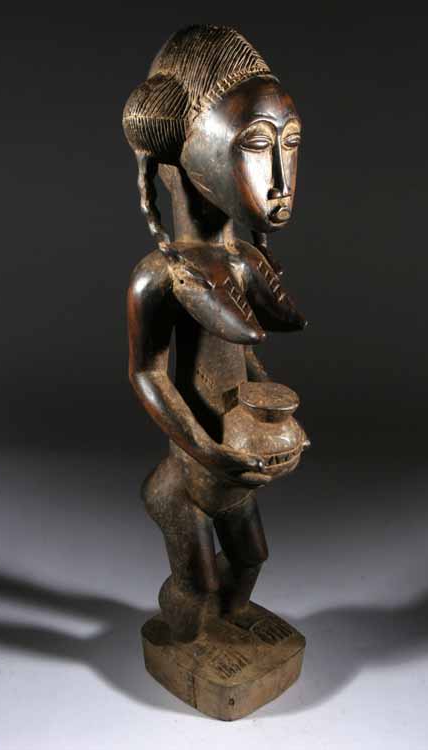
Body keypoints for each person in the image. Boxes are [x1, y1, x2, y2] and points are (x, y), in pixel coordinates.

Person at [123, 25, 307, 642]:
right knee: (197, 588)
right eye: (255, 144)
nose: (280, 177)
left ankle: (231, 621)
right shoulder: (160, 277)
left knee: (252, 561)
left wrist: (274, 417)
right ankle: (190, 633)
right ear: (180, 161)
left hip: (231, 471)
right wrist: (205, 448)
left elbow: (247, 354)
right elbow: (146, 373)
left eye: (290, 143)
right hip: (190, 477)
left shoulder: (245, 264)